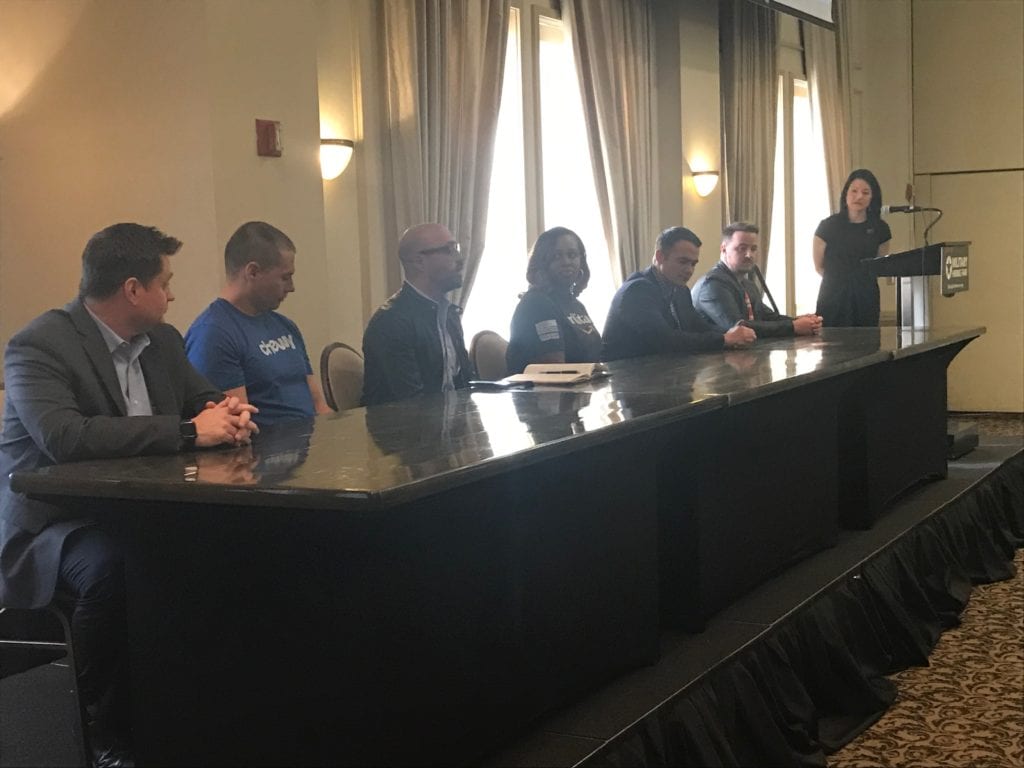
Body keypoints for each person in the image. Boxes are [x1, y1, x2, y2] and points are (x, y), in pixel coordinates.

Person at [0, 223, 258, 768]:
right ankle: (99, 724)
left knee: (238, 539)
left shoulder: (162, 340)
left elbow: (204, 399)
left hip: (146, 507)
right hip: (55, 521)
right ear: (133, 289)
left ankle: (206, 699)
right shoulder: (37, 345)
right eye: (166, 283)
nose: (173, 295)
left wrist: (230, 413)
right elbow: (65, 437)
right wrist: (190, 431)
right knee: (114, 567)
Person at [185, 221, 331, 424]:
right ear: (252, 272)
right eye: (285, 277)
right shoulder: (214, 334)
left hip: (310, 445)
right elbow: (237, 427)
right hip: (264, 451)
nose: (291, 287)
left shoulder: (285, 326)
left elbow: (318, 405)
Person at [601, 226, 756, 361]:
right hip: (626, 382)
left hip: (660, 374)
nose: (689, 270)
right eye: (683, 262)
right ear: (660, 257)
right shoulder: (637, 291)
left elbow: (699, 326)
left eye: (693, 264)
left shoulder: (680, 290)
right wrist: (724, 339)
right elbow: (665, 340)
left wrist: (734, 333)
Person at [361, 223, 474, 405]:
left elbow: (466, 385)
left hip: (444, 426)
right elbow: (411, 405)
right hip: (405, 430)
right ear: (419, 262)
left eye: (456, 248)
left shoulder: (449, 315)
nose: (460, 259)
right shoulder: (391, 323)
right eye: (449, 250)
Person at [692, 222, 822, 337]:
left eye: (753, 249)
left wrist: (801, 321)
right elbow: (739, 327)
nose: (749, 255)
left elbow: (768, 318)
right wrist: (794, 326)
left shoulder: (748, 285)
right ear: (724, 249)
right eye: (742, 248)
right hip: (714, 362)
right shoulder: (712, 285)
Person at [505, 227, 603, 375]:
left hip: (583, 391)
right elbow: (555, 370)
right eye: (557, 256)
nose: (566, 262)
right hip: (545, 395)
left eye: (572, 255)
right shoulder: (536, 304)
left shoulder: (576, 305)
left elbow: (598, 356)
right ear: (542, 262)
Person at [813, 169, 892, 327]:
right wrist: (842, 280)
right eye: (854, 191)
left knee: (867, 344)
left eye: (865, 192)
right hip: (833, 294)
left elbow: (880, 264)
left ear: (872, 197)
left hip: (866, 295)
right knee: (832, 345)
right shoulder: (828, 226)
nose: (859, 196)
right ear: (845, 194)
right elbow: (819, 266)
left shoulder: (880, 229)